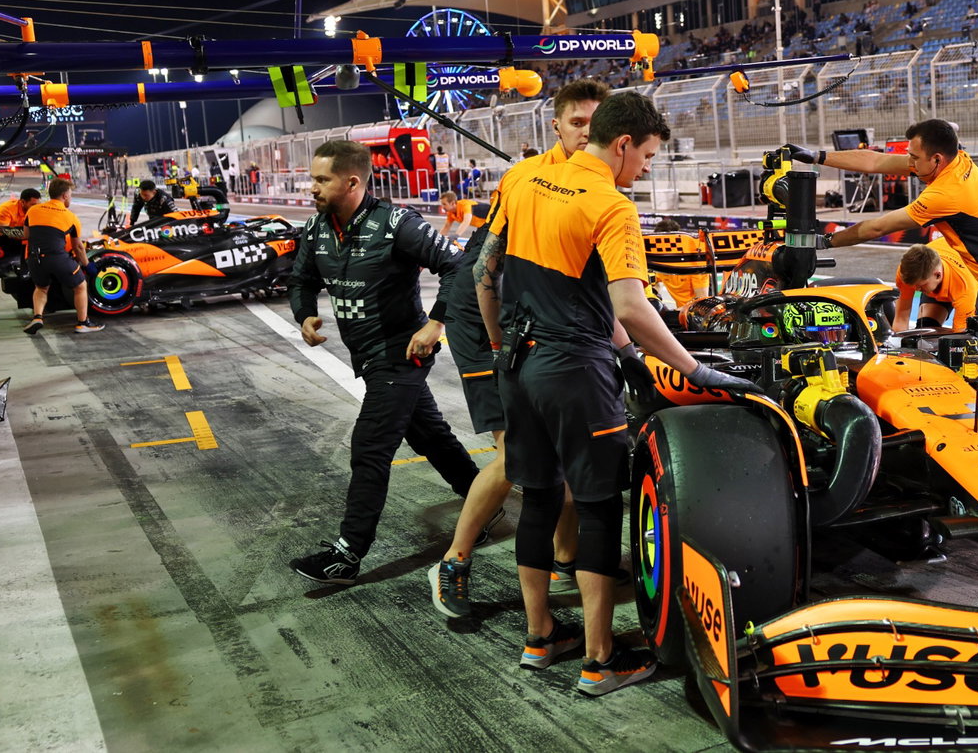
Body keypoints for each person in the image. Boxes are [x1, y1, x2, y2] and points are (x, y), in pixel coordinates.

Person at [474, 91, 761, 695]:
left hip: (517, 364)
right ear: (623, 143)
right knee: (601, 506)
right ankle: (601, 659)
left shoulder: (527, 179)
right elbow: (630, 305)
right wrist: (695, 369)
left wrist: (505, 346)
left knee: (539, 496)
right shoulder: (611, 205)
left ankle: (540, 636)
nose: (649, 167)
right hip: (574, 370)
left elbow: (484, 273)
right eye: (649, 155)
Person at [428, 78, 611, 620]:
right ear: (556, 125)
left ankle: (565, 556)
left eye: (596, 125)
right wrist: (493, 342)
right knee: (517, 457)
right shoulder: (528, 175)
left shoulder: (599, 178)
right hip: (488, 316)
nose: (587, 133)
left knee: (567, 444)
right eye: (578, 123)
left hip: (531, 319)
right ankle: (453, 562)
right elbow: (487, 266)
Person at [286, 140, 481, 586]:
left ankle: (347, 554)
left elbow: (457, 266)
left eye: (321, 179)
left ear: (352, 182)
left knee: (370, 447)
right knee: (431, 434)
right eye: (312, 178)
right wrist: (304, 315)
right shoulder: (318, 229)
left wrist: (436, 324)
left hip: (401, 356)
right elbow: (301, 279)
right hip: (367, 355)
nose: (311, 187)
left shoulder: (397, 224)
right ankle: (480, 503)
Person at [788, 119, 978, 419]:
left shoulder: (946, 194)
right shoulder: (954, 160)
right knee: (977, 366)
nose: (909, 162)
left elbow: (878, 226)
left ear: (936, 159)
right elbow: (877, 161)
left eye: (914, 157)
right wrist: (817, 156)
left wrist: (824, 241)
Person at [22, 178, 101, 335]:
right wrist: (87, 265)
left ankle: (37, 317)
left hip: (34, 258)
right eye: (70, 194)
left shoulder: (33, 210)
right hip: (57, 258)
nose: (70, 197)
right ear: (65, 195)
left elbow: (26, 235)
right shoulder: (70, 216)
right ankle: (83, 323)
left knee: (41, 288)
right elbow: (78, 247)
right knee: (80, 286)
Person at [0, 187, 40, 320]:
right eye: (32, 204)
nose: (35, 207)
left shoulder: (35, 210)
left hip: (14, 236)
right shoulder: (7, 209)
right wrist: (26, 234)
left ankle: (34, 303)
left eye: (37, 204)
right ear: (23, 202)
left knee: (28, 266)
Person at [894, 237, 978, 331]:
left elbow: (961, 336)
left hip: (976, 278)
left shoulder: (965, 289)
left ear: (938, 275)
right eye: (913, 285)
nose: (917, 289)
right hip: (946, 271)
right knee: (925, 329)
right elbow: (900, 319)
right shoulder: (906, 273)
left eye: (921, 285)